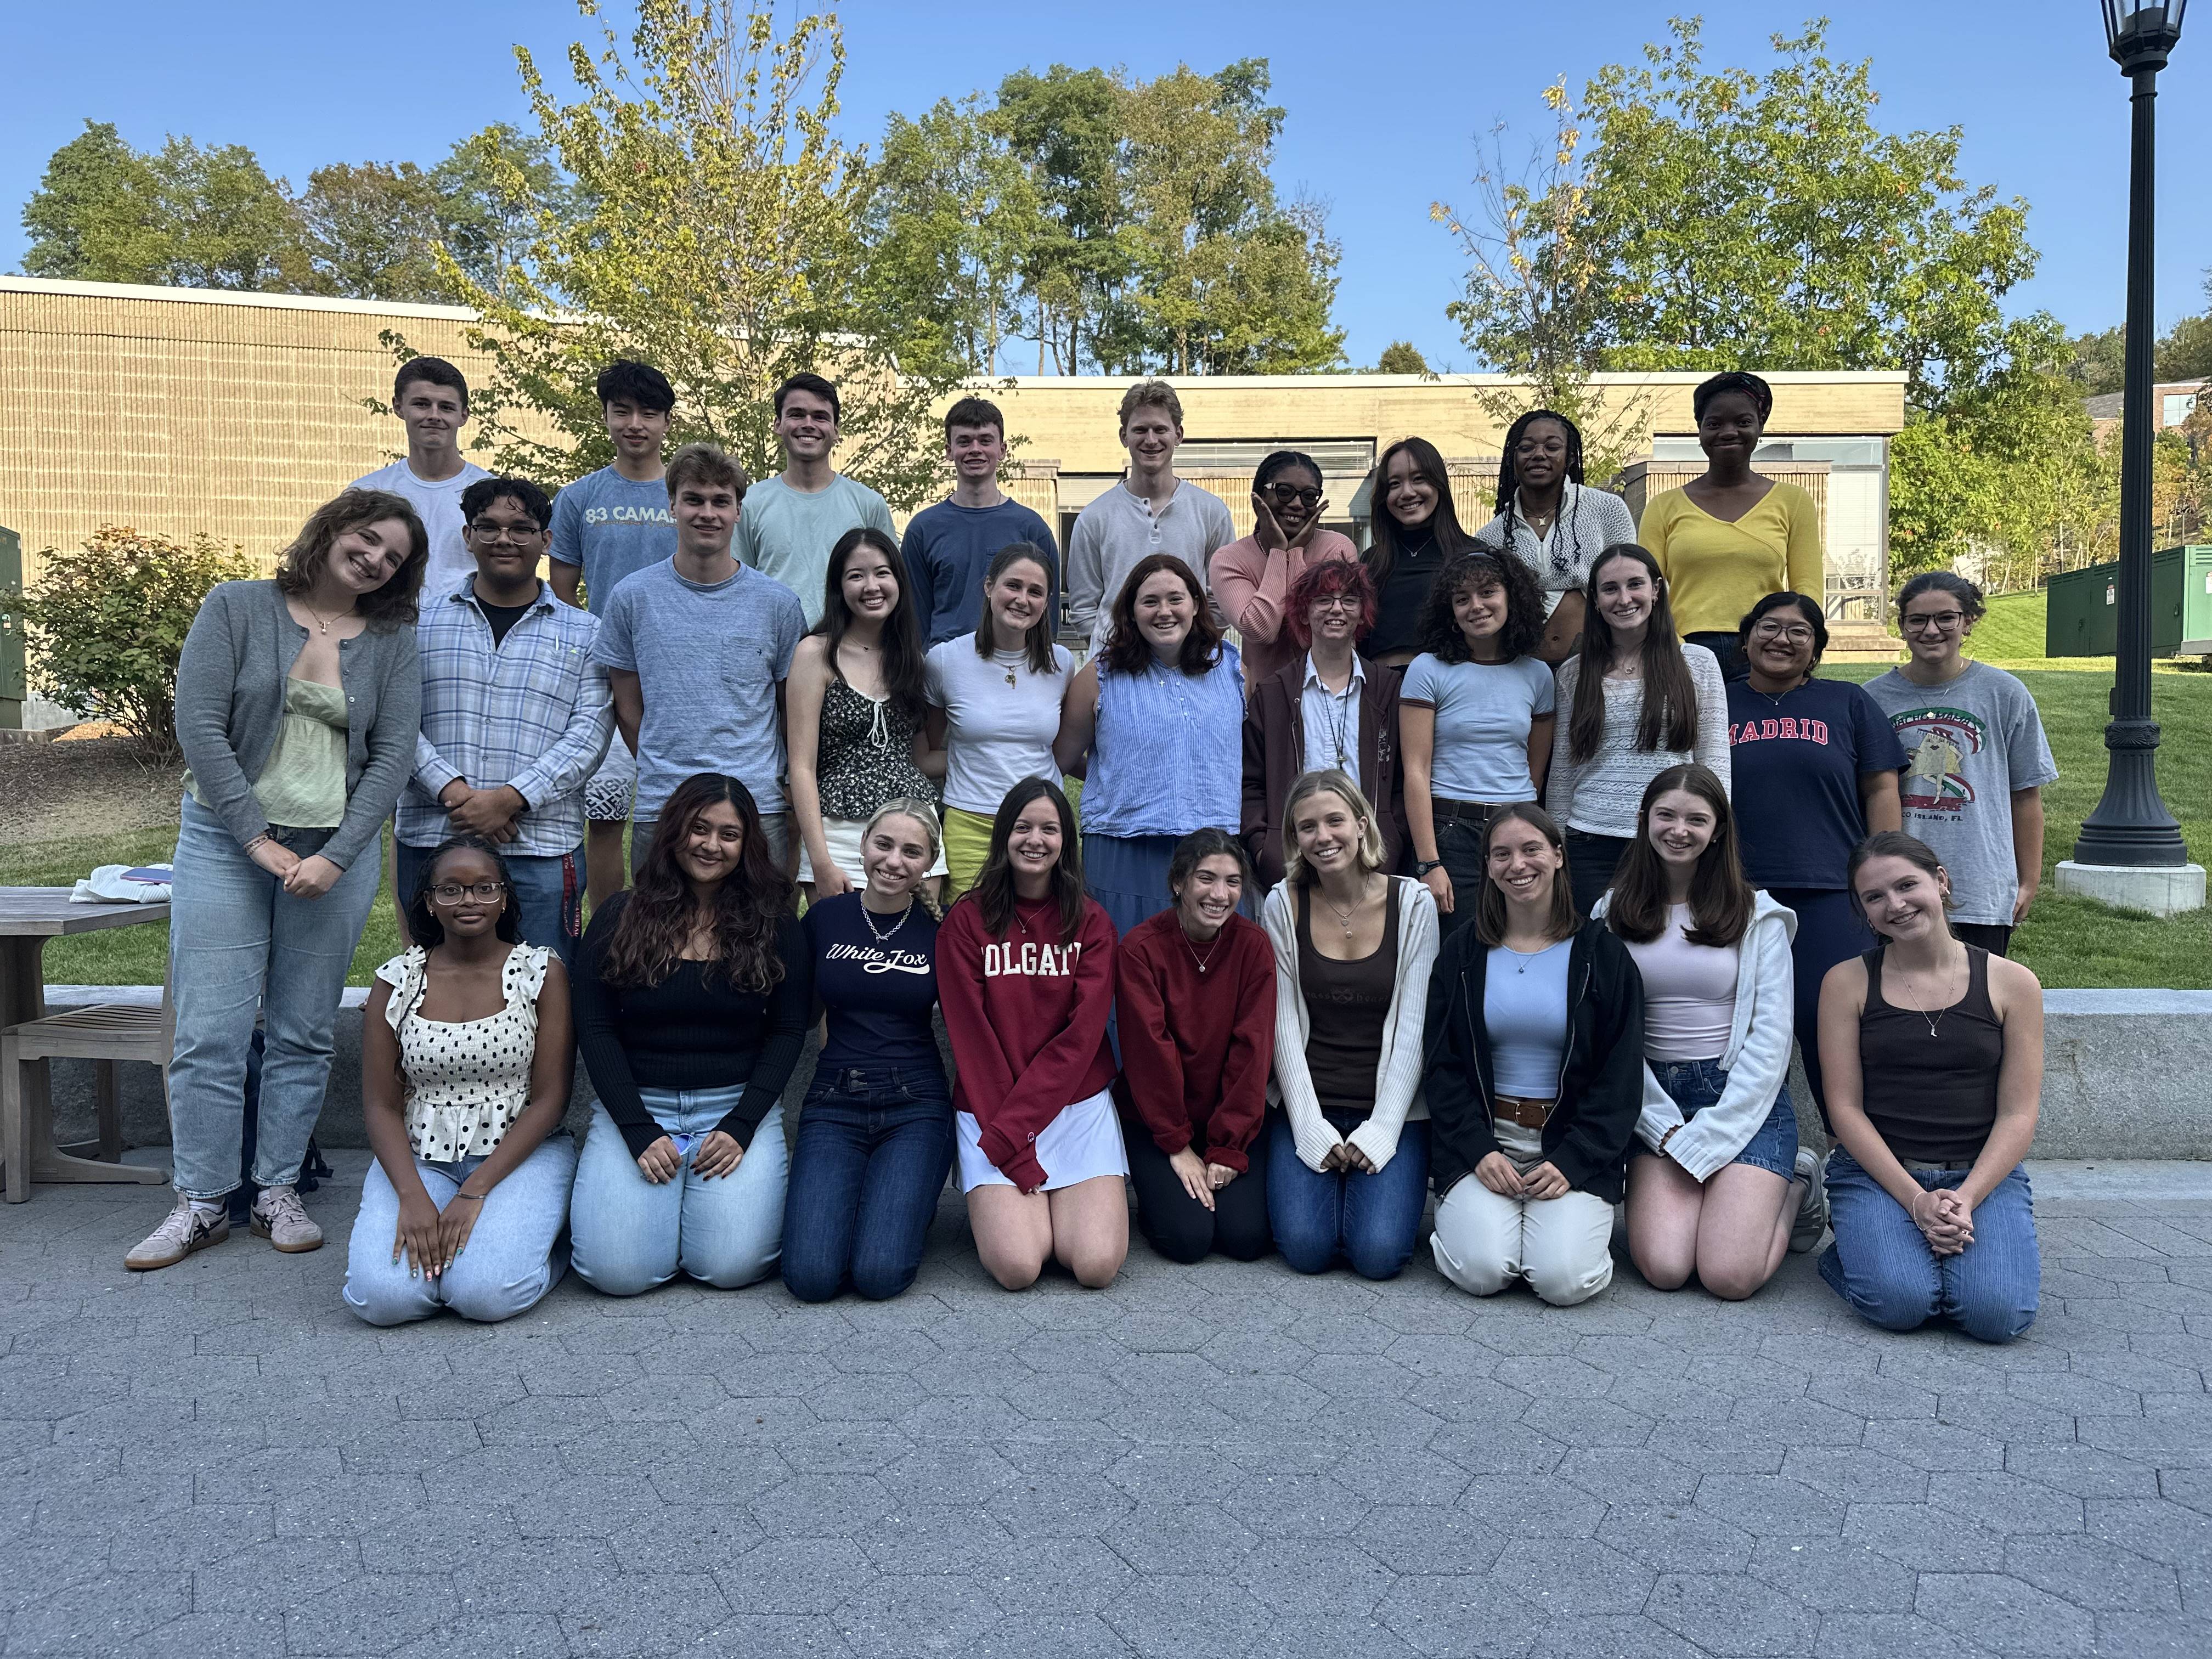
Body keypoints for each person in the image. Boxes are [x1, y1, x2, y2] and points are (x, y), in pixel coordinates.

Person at [128, 490, 427, 1272]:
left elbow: (394, 755)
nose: (374, 560)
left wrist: (337, 854)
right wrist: (256, 840)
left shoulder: (394, 637)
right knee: (211, 1031)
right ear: (333, 530)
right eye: (368, 540)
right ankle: (199, 1201)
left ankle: (276, 1190)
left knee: (301, 1029)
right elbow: (199, 726)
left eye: (393, 557)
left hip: (339, 852)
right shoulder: (237, 607)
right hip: (227, 845)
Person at [567, 774, 809, 1295]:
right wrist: (635, 1127)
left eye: (729, 834)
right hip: (638, 1106)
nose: (711, 845)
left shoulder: (775, 923)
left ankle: (688, 1213)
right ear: (675, 831)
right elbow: (596, 1027)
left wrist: (744, 1123)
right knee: (617, 1275)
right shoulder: (618, 916)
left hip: (734, 1107)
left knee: (730, 1268)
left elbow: (789, 1030)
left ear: (747, 845)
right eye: (699, 829)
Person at [1815, 832, 2044, 1343]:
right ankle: (1860, 1245)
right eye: (1874, 897)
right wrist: (1917, 1202)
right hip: (1880, 1172)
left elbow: (2017, 1115)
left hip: (1981, 1172)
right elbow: (1845, 1109)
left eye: (1906, 885)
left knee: (1996, 1317)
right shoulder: (1846, 983)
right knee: (1902, 1304)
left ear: (1940, 882)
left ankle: (1899, 1249)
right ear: (1864, 912)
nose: (1894, 904)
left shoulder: (2013, 984)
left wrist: (1962, 1199)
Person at [1604, 766, 1820, 1302]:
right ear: (1644, 821)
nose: (1680, 829)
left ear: (1718, 830)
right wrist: (1662, 1129)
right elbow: (1608, 1040)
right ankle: (1723, 1196)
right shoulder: (1609, 915)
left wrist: (1716, 1134)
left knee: (1728, 1276)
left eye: (1696, 819)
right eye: (1667, 816)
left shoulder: (1758, 917)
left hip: (1742, 1099)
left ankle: (1797, 1185)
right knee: (1666, 1267)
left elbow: (1771, 1046)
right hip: (1654, 1099)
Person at [343, 837, 577, 1324]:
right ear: (429, 902)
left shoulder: (541, 972)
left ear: (505, 897)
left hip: (519, 1155)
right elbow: (381, 1106)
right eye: (450, 890)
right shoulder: (396, 980)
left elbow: (551, 1100)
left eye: (484, 888)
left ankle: (550, 1253)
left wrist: (474, 1193)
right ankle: (463, 1259)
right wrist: (411, 1196)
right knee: (382, 1300)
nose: (469, 900)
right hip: (421, 1158)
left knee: (484, 1296)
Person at [1424, 804, 1644, 1306]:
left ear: (1559, 857)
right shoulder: (1462, 954)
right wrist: (1479, 1148)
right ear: (1487, 867)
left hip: (1569, 1143)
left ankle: (1551, 1237)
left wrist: (1574, 1160)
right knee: (1481, 1272)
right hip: (1485, 1139)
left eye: (1531, 850)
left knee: (1562, 1281)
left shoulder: (1602, 956)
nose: (1516, 865)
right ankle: (1487, 1229)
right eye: (1500, 854)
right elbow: (1442, 1064)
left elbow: (1622, 1076)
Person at [400, 476, 613, 962]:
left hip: (539, 844)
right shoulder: (417, 622)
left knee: (546, 988)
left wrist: (511, 799)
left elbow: (591, 734)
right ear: (467, 536)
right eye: (489, 527)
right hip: (435, 835)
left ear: (546, 540)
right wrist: (458, 795)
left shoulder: (586, 633)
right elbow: (394, 721)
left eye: (521, 528)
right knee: (432, 983)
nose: (504, 539)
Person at [937, 778, 1128, 1290]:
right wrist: (1012, 1144)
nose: (1034, 840)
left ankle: (1058, 1202)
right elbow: (972, 1040)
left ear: (1066, 840)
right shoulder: (966, 921)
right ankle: (1028, 1203)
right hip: (992, 1103)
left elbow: (1082, 1038)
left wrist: (1016, 1133)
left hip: (1074, 1106)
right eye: (1023, 827)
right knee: (1019, 1267)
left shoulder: (1091, 922)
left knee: (1095, 1265)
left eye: (1049, 829)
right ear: (1004, 835)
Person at [1725, 591, 1905, 1108]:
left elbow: (1881, 788)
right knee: (1743, 1026)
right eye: (1769, 627)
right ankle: (1755, 1159)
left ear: (1817, 648)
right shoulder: (1716, 701)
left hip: (1831, 889)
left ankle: (1846, 1151)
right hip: (1737, 890)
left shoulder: (1847, 702)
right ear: (1746, 637)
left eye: (1799, 632)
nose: (1782, 639)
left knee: (1830, 1022)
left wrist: (1882, 871)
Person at [593, 443, 806, 873]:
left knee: (763, 935)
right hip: (665, 804)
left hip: (756, 806)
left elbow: (790, 708)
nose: (707, 513)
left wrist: (781, 783)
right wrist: (665, 768)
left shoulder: (778, 604)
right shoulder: (632, 598)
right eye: (694, 499)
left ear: (738, 511)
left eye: (721, 502)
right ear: (672, 505)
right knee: (659, 936)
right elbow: (628, 708)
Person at [1262, 770, 1438, 1280]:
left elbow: (1414, 1025)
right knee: (1306, 1249)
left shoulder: (1413, 903)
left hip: (1392, 1108)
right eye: (1307, 827)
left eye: (1335, 820)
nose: (1323, 837)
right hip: (1309, 1101)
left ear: (1362, 825)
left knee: (1379, 1255)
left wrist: (1383, 1128)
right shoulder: (1283, 903)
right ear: (1295, 839)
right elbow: (1283, 1026)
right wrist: (1308, 1125)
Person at [782, 800, 953, 1303]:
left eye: (912, 851)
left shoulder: (939, 932)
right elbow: (798, 1017)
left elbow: (973, 1024)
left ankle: (892, 1206)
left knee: (879, 1275)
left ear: (928, 864)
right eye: (884, 844)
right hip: (835, 1101)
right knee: (811, 1278)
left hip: (916, 1105)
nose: (894, 860)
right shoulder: (825, 920)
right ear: (863, 846)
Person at [1863, 573, 2057, 957]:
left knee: (1977, 1002)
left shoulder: (2005, 693)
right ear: (1902, 626)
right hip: (1896, 890)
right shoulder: (1871, 698)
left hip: (1981, 886)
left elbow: (2026, 798)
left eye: (1946, 618)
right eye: (1917, 620)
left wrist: (2028, 882)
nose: (1931, 630)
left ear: (1968, 622)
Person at [548, 359, 680, 911]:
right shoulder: (579, 497)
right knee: (604, 818)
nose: (635, 424)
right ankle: (607, 931)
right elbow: (561, 594)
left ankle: (665, 923)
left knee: (675, 815)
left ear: (667, 422)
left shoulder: (688, 493)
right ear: (604, 416)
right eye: (621, 411)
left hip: (678, 673)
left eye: (649, 413)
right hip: (604, 677)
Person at [1056, 554, 1244, 934]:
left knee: (1210, 977)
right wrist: (1113, 773)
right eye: (1150, 601)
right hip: (1123, 852)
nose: (1165, 612)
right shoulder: (1099, 676)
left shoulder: (1233, 670)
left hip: (1214, 852)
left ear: (1195, 603)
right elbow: (1062, 758)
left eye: (1176, 599)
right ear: (1131, 611)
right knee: (1126, 973)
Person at [1114, 830, 1276, 1264]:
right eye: (1206, 878)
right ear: (1178, 882)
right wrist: (1177, 1145)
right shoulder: (1140, 950)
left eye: (1233, 882)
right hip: (1157, 1118)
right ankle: (1156, 1205)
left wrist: (1227, 1146)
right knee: (1188, 1240)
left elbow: (1253, 1049)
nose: (1220, 895)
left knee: (1246, 1238)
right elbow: (1150, 1053)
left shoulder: (1253, 946)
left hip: (1230, 1114)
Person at [1547, 544, 1730, 917]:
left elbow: (1714, 761)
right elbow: (1564, 773)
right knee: (1599, 958)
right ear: (1595, 601)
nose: (1624, 598)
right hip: (1591, 841)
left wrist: (1712, 835)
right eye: (1610, 589)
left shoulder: (1697, 663)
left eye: (1635, 585)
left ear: (1656, 590)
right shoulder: (1573, 674)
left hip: (1673, 841)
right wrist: (1557, 848)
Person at [1400, 551, 1557, 941]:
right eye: (1462, 598)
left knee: (1520, 947)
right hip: (1451, 834)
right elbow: (1415, 771)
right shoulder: (1427, 669)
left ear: (1511, 597)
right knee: (1458, 954)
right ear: (1450, 610)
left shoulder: (1538, 675)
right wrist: (1429, 863)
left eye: (1488, 592)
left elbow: (1534, 771)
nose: (1477, 606)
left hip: (1518, 831)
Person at [785, 527, 945, 900]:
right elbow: (802, 767)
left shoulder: (911, 660)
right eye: (856, 576)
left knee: (913, 949)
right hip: (839, 834)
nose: (871, 586)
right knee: (843, 950)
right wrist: (821, 861)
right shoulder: (816, 654)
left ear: (899, 581)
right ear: (839, 588)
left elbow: (919, 757)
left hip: (916, 831)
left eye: (882, 573)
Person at [1638, 371, 1822, 668]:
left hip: (1767, 647)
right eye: (1714, 424)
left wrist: (1794, 640)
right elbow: (1647, 589)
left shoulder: (1794, 501)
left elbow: (1807, 589)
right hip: (1684, 651)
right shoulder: (1664, 506)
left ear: (1760, 427)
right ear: (1700, 431)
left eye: (1743, 422)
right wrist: (1672, 645)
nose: (1728, 432)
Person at [1242, 560, 1406, 891]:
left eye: (1349, 600)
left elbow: (1406, 778)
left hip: (1374, 862)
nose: (1337, 609)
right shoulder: (1274, 694)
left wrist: (1393, 836)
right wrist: (1266, 851)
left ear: (1362, 613)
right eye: (1323, 600)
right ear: (1304, 613)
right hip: (1294, 865)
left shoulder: (1389, 690)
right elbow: (1249, 784)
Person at [923, 543, 1074, 898]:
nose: (1023, 599)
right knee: (968, 931)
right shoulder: (945, 660)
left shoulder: (1063, 664)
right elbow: (925, 753)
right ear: (989, 587)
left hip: (1042, 824)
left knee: (1040, 933)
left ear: (1047, 602)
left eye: (1036, 592)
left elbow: (1064, 748)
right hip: (970, 822)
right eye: (1014, 586)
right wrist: (975, 758)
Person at [1064, 380, 1234, 650]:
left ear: (1178, 435)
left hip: (1190, 669)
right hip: (1118, 670)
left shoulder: (1212, 513)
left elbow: (1220, 600)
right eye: (1140, 430)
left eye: (1160, 429)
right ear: (1124, 437)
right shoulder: (1094, 518)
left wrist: (1193, 650)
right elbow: (1084, 608)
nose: (1151, 440)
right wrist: (1118, 656)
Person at [1472, 409, 1637, 663]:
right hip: (1522, 673)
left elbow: (1633, 585)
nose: (1539, 455)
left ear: (1570, 458)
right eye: (1526, 448)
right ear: (1512, 459)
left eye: (1552, 447)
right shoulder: (1491, 536)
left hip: (1598, 664)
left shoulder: (1607, 509)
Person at [733, 373, 897, 628]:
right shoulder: (749, 504)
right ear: (778, 424)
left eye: (820, 417)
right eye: (797, 414)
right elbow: (738, 588)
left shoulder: (869, 505)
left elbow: (890, 589)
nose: (808, 424)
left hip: (851, 648)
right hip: (773, 649)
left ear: (836, 430)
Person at [902, 396, 1060, 645]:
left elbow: (1047, 618)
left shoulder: (1032, 529)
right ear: (949, 451)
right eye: (964, 441)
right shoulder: (923, 530)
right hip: (944, 671)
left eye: (986, 441)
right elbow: (913, 620)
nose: (975, 449)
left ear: (1002, 450)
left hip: (1014, 669)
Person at [1206, 449, 1358, 687]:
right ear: (1258, 498)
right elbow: (1261, 632)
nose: (1297, 504)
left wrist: (1294, 554)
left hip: (1334, 695)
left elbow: (1319, 636)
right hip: (1266, 702)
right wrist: (1279, 553)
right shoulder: (1229, 560)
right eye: (1284, 492)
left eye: (1309, 496)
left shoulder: (1337, 549)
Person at [351, 357, 493, 598]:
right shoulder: (368, 491)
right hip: (385, 627)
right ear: (398, 407)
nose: (434, 415)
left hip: (466, 630)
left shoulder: (493, 494)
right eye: (422, 404)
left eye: (446, 407)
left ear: (464, 415)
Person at [1356, 437, 1475, 667]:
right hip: (1381, 690)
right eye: (1394, 484)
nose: (1407, 493)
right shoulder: (1372, 561)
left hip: (1450, 692)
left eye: (1419, 479)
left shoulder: (1472, 556)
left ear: (1439, 484)